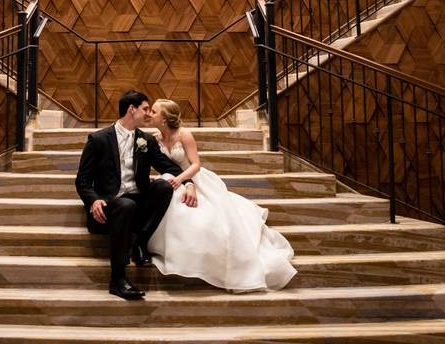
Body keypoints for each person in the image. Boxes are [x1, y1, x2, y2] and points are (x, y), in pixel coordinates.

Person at [147, 99, 297, 291]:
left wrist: (183, 180)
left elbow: (195, 164)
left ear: (165, 118)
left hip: (192, 178)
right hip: (171, 180)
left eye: (154, 111)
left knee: (208, 218)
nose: (150, 114)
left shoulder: (184, 135)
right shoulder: (154, 138)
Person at [74, 90, 196, 300]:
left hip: (139, 205)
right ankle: (118, 279)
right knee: (125, 205)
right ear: (132, 109)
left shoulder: (146, 141)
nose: (149, 114)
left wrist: (190, 183)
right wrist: (93, 200)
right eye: (145, 109)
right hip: (110, 206)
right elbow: (82, 180)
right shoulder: (99, 139)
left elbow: (169, 167)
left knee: (164, 187)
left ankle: (141, 240)